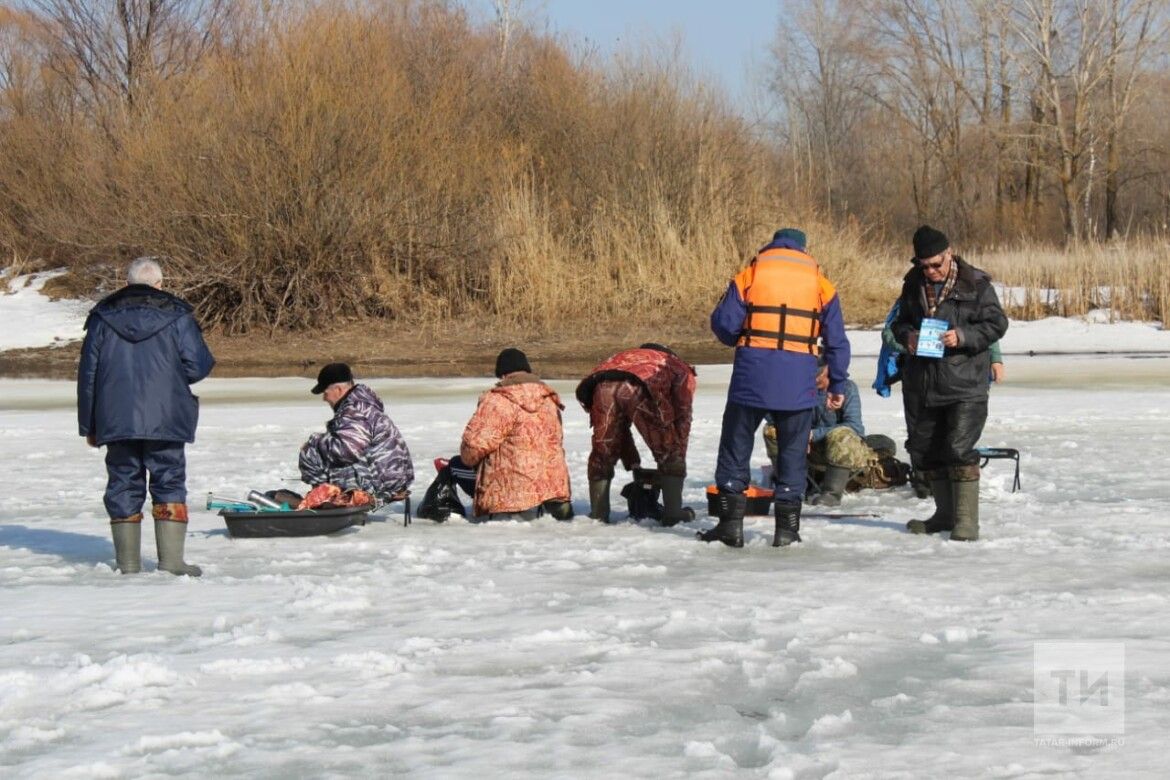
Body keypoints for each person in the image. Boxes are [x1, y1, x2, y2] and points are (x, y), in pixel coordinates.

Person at [705, 228, 851, 547]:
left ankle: (731, 527)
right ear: (802, 249)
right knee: (793, 454)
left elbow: (725, 325)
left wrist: (743, 335)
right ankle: (787, 530)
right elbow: (838, 342)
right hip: (798, 381)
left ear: (772, 244)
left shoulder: (751, 274)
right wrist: (837, 382)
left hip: (751, 377)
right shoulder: (820, 283)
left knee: (736, 446)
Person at [77, 257, 215, 576]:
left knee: (123, 481)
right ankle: (172, 562)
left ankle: (128, 564)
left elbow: (88, 376)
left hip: (115, 418)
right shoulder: (179, 314)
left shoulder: (101, 316)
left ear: (126, 284)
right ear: (160, 285)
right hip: (166, 416)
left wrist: (89, 425)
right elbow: (198, 366)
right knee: (169, 479)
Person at [891, 225, 1009, 541]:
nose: (930, 271)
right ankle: (943, 516)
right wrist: (908, 337)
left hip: (965, 383)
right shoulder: (912, 283)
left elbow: (997, 323)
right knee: (927, 450)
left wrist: (964, 336)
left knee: (958, 448)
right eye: (923, 265)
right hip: (923, 382)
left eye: (935, 264)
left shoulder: (977, 284)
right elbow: (899, 323)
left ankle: (966, 521)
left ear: (949, 253)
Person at [875, 299, 1005, 498]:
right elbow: (889, 332)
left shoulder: (967, 297)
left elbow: (986, 330)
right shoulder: (909, 299)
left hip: (958, 374)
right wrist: (912, 343)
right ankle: (923, 480)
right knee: (920, 432)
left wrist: (995, 359)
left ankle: (954, 482)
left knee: (955, 433)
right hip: (918, 377)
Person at [575, 343, 697, 524]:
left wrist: (633, 462)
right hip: (642, 387)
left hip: (601, 385)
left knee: (603, 452)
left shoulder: (620, 358)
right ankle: (673, 514)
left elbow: (619, 429)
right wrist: (675, 458)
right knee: (670, 452)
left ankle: (599, 514)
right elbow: (682, 414)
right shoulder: (675, 364)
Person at [458, 348, 572, 520]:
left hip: (511, 491)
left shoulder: (498, 401)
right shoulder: (548, 399)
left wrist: (467, 461)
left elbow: (474, 446)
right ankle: (558, 507)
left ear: (502, 374)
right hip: (551, 486)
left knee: (453, 466)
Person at [298, 363, 414, 502]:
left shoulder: (354, 410)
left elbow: (346, 451)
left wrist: (314, 442)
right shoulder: (361, 404)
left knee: (310, 452)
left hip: (382, 485)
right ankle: (326, 496)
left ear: (339, 389)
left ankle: (326, 498)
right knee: (321, 448)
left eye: (325, 393)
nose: (324, 398)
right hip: (389, 479)